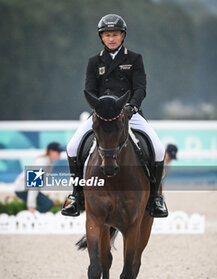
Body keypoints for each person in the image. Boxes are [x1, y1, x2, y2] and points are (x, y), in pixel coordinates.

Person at [61, 13, 167, 218]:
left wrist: (132, 107)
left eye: (115, 34)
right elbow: (89, 90)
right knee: (72, 146)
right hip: (102, 114)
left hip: (129, 113)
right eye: (107, 35)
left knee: (159, 149)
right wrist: (100, 107)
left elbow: (140, 88)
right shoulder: (94, 62)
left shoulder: (135, 59)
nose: (111, 38)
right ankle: (76, 196)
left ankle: (155, 198)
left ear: (122, 36)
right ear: (101, 37)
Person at [14, 142, 64, 213]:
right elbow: (33, 185)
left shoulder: (49, 162)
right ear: (51, 152)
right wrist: (31, 206)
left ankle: (33, 217)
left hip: (26, 188)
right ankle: (32, 218)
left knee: (47, 203)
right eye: (58, 152)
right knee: (47, 203)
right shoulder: (42, 163)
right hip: (22, 189)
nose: (60, 154)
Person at [156, 144, 178, 214]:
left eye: (172, 158)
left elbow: (161, 181)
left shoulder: (168, 166)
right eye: (170, 156)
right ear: (166, 152)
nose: (170, 159)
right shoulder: (159, 161)